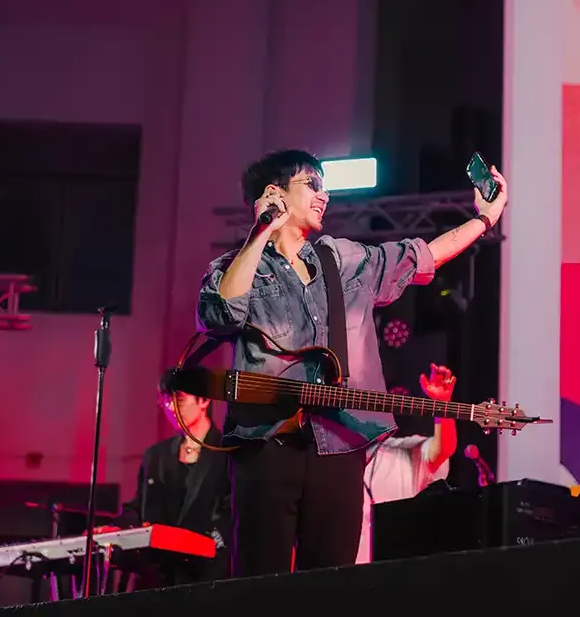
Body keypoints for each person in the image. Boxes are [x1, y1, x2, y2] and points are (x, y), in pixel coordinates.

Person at [196, 149, 508, 577]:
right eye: (312, 185)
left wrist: (485, 219)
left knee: (332, 582)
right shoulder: (236, 267)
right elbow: (219, 315)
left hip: (340, 445)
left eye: (324, 186)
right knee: (259, 580)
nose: (324, 195)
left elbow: (422, 256)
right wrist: (261, 231)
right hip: (267, 446)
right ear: (274, 193)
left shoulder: (342, 260)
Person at [118, 383, 231, 588]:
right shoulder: (155, 456)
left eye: (179, 399)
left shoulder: (227, 452)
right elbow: (140, 507)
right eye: (165, 401)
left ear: (204, 400)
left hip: (207, 576)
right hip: (158, 578)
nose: (171, 407)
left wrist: (211, 542)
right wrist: (117, 528)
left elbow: (233, 512)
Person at [356, 362, 458, 564]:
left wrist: (442, 405)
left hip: (396, 573)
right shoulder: (336, 455)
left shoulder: (408, 452)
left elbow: (444, 447)